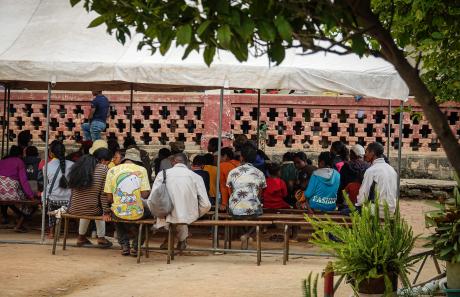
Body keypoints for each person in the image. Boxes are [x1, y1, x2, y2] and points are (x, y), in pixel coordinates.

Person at [149, 153, 211, 251]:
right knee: (181, 216)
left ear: (173, 162)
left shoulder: (163, 174)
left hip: (165, 214)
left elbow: (152, 199)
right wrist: (194, 214)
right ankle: (182, 240)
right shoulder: (195, 176)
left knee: (173, 216)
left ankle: (171, 240)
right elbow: (206, 205)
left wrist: (157, 213)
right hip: (187, 215)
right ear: (187, 163)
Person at [104, 147, 151, 256]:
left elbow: (109, 199)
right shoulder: (141, 170)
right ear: (137, 160)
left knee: (116, 216)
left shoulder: (112, 170)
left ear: (125, 159)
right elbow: (145, 195)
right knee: (149, 218)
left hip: (118, 213)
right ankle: (136, 246)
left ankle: (124, 245)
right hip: (138, 213)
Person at [67, 148, 113, 248]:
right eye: (108, 162)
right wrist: (107, 211)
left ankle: (81, 237)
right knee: (97, 208)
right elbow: (103, 195)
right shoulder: (104, 169)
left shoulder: (80, 166)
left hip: (73, 208)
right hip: (90, 209)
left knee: (88, 205)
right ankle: (101, 238)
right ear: (103, 160)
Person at [226, 143, 266, 248]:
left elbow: (231, 190)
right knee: (258, 216)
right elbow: (260, 193)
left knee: (236, 215)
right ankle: (248, 234)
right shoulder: (259, 173)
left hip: (235, 207)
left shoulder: (232, 172)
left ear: (241, 157)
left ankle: (245, 234)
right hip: (252, 207)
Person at [42, 140, 73, 238]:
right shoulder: (72, 165)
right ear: (64, 152)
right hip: (68, 201)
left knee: (48, 197)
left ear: (51, 153)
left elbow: (46, 184)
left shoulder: (46, 166)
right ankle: (65, 231)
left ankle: (51, 232)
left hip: (53, 200)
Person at [0, 145, 36, 230]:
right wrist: (31, 196)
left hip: (1, 193)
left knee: (9, 201)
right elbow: (23, 181)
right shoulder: (19, 161)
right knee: (29, 206)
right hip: (11, 192)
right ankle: (19, 224)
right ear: (20, 155)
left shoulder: (2, 161)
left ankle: (13, 218)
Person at [356, 142, 398, 216]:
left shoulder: (371, 171)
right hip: (391, 210)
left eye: (366, 152)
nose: (365, 155)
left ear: (372, 153)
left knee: (348, 210)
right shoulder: (391, 169)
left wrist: (357, 205)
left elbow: (363, 195)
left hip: (377, 211)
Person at [337, 144, 369, 208]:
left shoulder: (346, 166)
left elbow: (341, 184)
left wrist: (339, 201)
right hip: (363, 200)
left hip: (347, 200)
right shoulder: (367, 166)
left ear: (353, 154)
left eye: (350, 153)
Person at [219, 147, 240, 211]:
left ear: (225, 156)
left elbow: (223, 186)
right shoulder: (240, 164)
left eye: (220, 157)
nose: (219, 159)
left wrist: (224, 203)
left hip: (232, 198)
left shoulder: (222, 165)